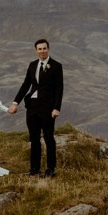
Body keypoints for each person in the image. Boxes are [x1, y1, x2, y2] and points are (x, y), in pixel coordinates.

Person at [12, 38, 63, 178]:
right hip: (32, 107)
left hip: (48, 108)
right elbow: (25, 85)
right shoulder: (32, 65)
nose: (42, 51)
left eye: (44, 48)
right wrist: (16, 102)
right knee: (34, 139)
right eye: (39, 49)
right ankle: (34, 169)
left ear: (48, 49)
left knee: (48, 138)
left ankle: (51, 169)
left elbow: (59, 89)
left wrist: (56, 108)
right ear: (36, 51)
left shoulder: (56, 66)